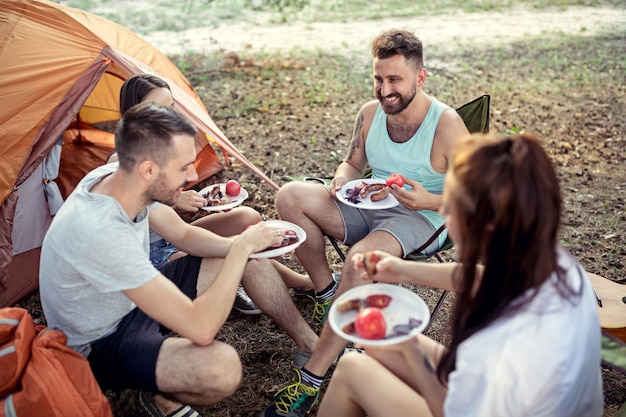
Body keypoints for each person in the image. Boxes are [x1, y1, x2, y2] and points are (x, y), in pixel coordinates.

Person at [39, 102, 319, 417]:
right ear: (148, 169)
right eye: (183, 166)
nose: (193, 175)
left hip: (131, 301)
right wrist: (240, 249)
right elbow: (200, 327)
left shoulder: (121, 178)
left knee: (243, 253)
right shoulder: (100, 232)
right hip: (101, 341)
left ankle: (312, 347)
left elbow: (184, 237)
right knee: (220, 368)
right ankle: (163, 398)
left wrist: (243, 247)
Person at [316, 133, 603, 417]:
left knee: (354, 367)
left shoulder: (495, 342)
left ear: (484, 226)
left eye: (449, 207)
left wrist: (411, 344)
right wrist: (402, 269)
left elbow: (447, 410)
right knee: (377, 346)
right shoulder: (557, 263)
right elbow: (487, 279)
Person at [261, 29, 470, 416]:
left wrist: (429, 199)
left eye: (395, 80)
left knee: (360, 259)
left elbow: (477, 197)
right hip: (371, 201)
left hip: (424, 217)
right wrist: (343, 176)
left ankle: (312, 376)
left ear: (420, 77)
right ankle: (328, 298)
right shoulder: (370, 113)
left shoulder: (447, 125)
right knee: (290, 195)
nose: (384, 89)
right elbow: (354, 162)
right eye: (378, 78)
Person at [110, 74, 313, 314]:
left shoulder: (161, 149)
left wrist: (193, 200)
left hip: (170, 238)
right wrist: (176, 202)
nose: (169, 118)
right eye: (157, 110)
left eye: (171, 108)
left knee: (246, 217)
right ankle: (300, 284)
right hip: (153, 257)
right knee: (236, 248)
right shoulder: (123, 162)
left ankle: (270, 281)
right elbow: (167, 230)